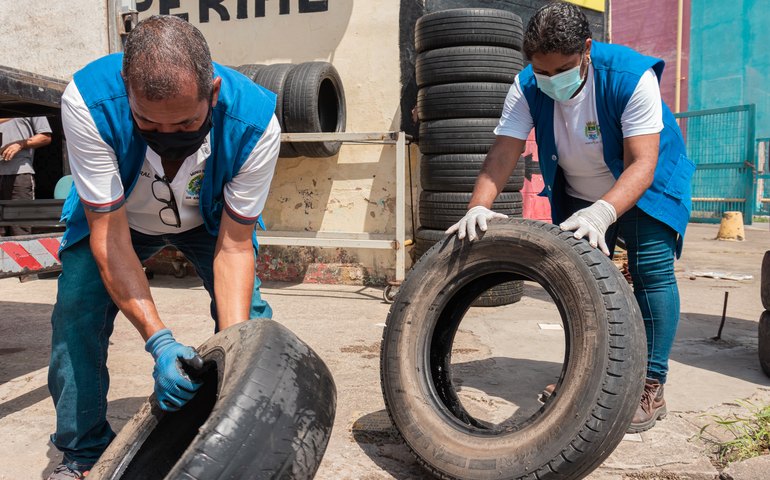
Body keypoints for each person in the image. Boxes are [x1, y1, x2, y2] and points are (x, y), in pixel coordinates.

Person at [47, 15, 280, 479]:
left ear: (213, 92)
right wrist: (160, 342)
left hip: (208, 220)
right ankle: (83, 453)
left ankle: (241, 426)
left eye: (187, 122)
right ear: (126, 89)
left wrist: (233, 351)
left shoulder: (255, 124)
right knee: (77, 312)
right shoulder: (88, 102)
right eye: (148, 121)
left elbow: (235, 247)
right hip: (118, 220)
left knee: (250, 325)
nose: (168, 136)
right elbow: (110, 236)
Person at [446, 2, 693, 434]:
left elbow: (642, 163)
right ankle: (589, 374)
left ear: (587, 50)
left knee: (651, 273)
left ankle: (650, 384)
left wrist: (604, 212)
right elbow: (504, 150)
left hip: (645, 182)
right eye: (542, 70)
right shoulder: (528, 85)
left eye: (562, 69)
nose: (551, 80)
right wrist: (478, 206)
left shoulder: (629, 77)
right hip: (580, 187)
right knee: (581, 277)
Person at [0, 116, 53, 235]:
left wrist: (21, 144)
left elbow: (45, 137)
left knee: (20, 227)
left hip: (19, 173)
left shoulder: (29, 108)